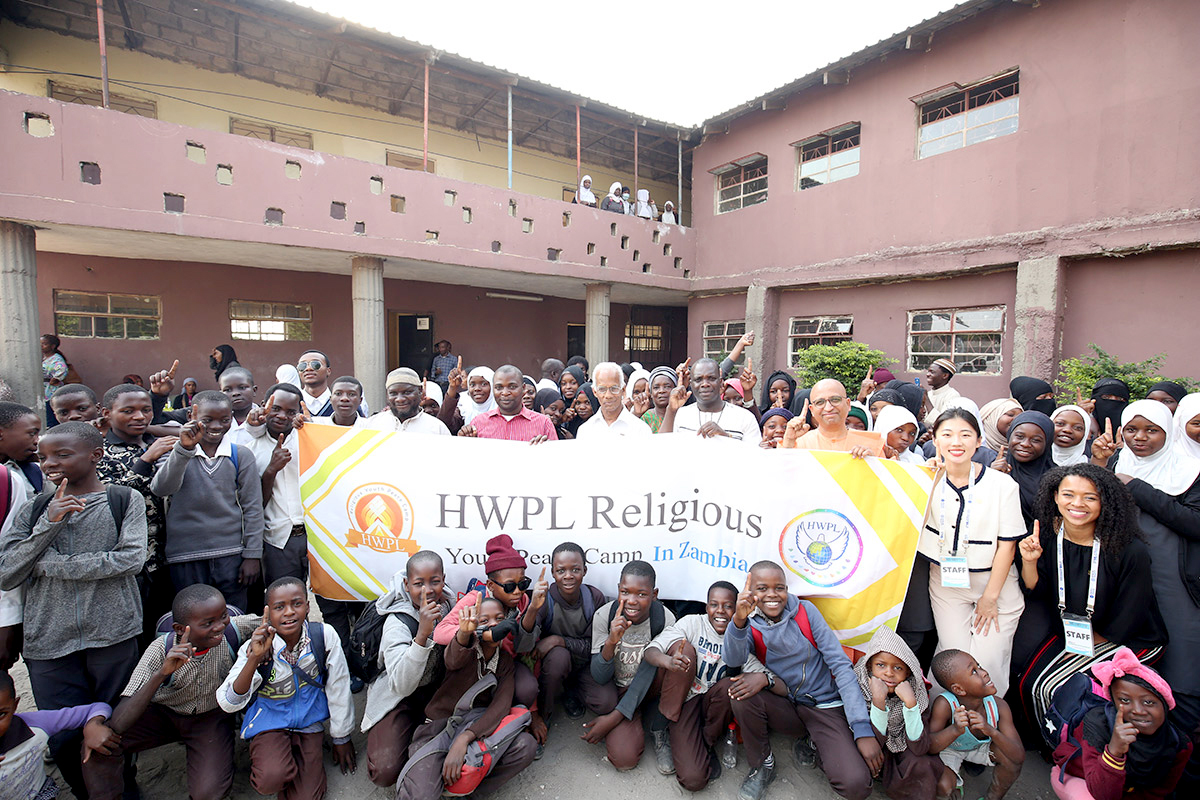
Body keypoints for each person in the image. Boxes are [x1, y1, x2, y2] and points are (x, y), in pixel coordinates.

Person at [0, 421, 147, 797]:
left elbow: (130, 559)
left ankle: (121, 790)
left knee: (115, 726)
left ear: (95, 455)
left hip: (113, 632)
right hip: (48, 639)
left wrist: (48, 565)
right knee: (64, 734)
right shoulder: (35, 509)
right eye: (43, 457)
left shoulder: (123, 500)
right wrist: (48, 525)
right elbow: (8, 571)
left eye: (62, 455)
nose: (50, 463)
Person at [1011, 464, 1167, 747]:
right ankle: (1045, 745)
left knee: (1055, 687)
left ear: (1104, 502)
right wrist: (1029, 561)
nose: (1077, 504)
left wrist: (1085, 645)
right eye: (1068, 495)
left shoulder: (1128, 549)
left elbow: (1131, 612)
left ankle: (1070, 752)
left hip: (1129, 637)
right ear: (1055, 496)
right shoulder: (1049, 536)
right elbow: (1037, 591)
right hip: (1075, 631)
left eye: (1090, 497)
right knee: (1027, 684)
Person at [82, 583, 261, 800]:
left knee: (208, 793)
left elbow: (274, 621)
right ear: (180, 629)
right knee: (101, 744)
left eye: (223, 616)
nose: (219, 626)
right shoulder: (160, 649)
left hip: (210, 719)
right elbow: (120, 722)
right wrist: (161, 674)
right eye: (208, 623)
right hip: (164, 715)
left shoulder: (233, 630)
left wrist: (264, 640)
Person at [1090, 399, 1200, 739]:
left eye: (1152, 430)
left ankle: (1179, 746)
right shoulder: (1118, 461)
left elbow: (1194, 523)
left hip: (1174, 582)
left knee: (1181, 663)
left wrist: (1136, 487)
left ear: (1169, 432)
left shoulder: (1190, 470)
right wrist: (1100, 464)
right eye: (1132, 430)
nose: (1140, 438)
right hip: (1126, 579)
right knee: (1131, 658)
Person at [724, 561, 878, 800]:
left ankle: (815, 743)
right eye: (762, 588)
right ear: (750, 593)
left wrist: (861, 728)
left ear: (787, 590)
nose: (772, 595)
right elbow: (733, 661)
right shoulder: (750, 624)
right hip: (786, 703)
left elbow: (840, 665)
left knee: (856, 784)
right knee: (740, 693)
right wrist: (738, 621)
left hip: (823, 707)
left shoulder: (805, 612)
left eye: (779, 588)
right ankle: (763, 765)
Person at [913, 408, 1026, 697]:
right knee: (951, 659)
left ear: (978, 441)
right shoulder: (924, 480)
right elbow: (909, 523)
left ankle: (989, 720)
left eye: (965, 435)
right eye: (947, 434)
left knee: (988, 662)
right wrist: (930, 480)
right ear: (935, 440)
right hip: (946, 584)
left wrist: (990, 598)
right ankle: (943, 717)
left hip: (995, 584)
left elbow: (1007, 545)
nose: (956, 442)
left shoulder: (1002, 485)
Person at [218, 577, 356, 797]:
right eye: (279, 607)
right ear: (268, 612)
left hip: (309, 722)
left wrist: (341, 737)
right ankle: (273, 758)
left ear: (308, 606)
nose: (289, 612)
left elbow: (338, 685)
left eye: (297, 604)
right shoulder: (256, 646)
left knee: (309, 795)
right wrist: (254, 659)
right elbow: (228, 702)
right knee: (271, 779)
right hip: (269, 722)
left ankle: (296, 761)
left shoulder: (323, 636)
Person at [395, 594, 538, 800]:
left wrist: (465, 738)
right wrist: (463, 633)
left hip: (475, 728)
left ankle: (470, 792)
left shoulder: (504, 661)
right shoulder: (466, 648)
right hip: (439, 728)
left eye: (499, 619)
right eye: (484, 620)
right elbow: (453, 659)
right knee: (421, 794)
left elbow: (500, 707)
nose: (493, 624)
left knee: (525, 746)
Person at [646, 580, 769, 791]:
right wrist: (668, 661)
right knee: (693, 780)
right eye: (714, 604)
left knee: (730, 685)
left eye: (728, 606)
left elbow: (771, 678)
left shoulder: (741, 637)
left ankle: (707, 743)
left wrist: (764, 679)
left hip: (714, 706)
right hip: (686, 700)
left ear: (738, 609)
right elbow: (651, 651)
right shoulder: (692, 623)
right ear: (706, 606)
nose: (720, 611)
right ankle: (665, 727)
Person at [150, 391, 264, 610]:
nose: (216, 426)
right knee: (193, 617)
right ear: (192, 416)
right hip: (185, 556)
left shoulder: (240, 456)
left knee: (233, 616)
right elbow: (161, 488)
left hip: (231, 555)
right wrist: (184, 450)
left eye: (224, 420)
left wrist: (252, 555)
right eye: (207, 420)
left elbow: (252, 508)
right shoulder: (176, 451)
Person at [362, 550, 454, 788]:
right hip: (399, 694)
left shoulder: (450, 605)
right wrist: (422, 635)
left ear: (444, 579)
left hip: (435, 689)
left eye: (435, 581)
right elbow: (401, 685)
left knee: (447, 751)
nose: (428, 590)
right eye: (418, 583)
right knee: (385, 771)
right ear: (406, 584)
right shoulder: (398, 622)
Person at [1049, 647, 1191, 800]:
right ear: (1114, 703)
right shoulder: (1098, 724)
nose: (1138, 710)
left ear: (1165, 705)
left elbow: (1157, 793)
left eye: (1148, 702)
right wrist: (1114, 751)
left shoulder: (1178, 743)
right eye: (1124, 700)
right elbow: (1102, 794)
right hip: (1082, 780)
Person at [584, 560, 683, 774]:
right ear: (618, 590)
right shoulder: (604, 616)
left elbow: (650, 668)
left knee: (672, 655)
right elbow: (599, 676)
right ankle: (633, 715)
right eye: (625, 592)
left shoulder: (664, 619)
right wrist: (611, 641)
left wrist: (614, 718)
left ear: (654, 594)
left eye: (642, 594)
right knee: (624, 759)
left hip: (648, 687)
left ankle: (657, 725)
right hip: (618, 688)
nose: (632, 600)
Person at [97, 383, 178, 636]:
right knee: (135, 632)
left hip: (169, 557)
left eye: (146, 410)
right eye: (128, 411)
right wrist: (145, 460)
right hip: (132, 564)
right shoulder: (101, 454)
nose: (140, 417)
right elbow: (110, 499)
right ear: (107, 413)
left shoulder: (158, 442)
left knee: (165, 628)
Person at [432, 534, 539, 706]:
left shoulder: (523, 601)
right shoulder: (475, 600)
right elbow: (440, 632)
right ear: (490, 585)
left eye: (523, 584)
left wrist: (533, 610)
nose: (517, 591)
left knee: (527, 690)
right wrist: (482, 633)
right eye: (509, 586)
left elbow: (523, 645)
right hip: (475, 664)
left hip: (506, 663)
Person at [529, 543, 607, 746]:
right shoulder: (545, 599)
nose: (568, 576)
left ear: (585, 570)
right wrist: (532, 609)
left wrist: (559, 640)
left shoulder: (594, 598)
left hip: (584, 663)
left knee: (606, 702)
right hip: (555, 665)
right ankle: (545, 713)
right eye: (561, 570)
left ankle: (572, 690)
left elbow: (594, 647)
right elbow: (526, 644)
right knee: (558, 657)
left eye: (575, 569)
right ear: (553, 573)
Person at [853, 627, 945, 800]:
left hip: (900, 750)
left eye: (898, 668)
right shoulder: (858, 685)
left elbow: (919, 747)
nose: (889, 673)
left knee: (922, 764)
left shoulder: (916, 692)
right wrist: (878, 701)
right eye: (881, 665)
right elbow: (874, 741)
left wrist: (910, 704)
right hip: (869, 747)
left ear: (908, 672)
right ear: (869, 666)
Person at [0, 669, 116, 800]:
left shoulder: (35, 724)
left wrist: (93, 724)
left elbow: (97, 708)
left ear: (15, 706)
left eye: (1, 714)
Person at [928, 649, 1024, 800]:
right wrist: (955, 729)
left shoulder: (999, 706)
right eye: (974, 671)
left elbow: (1018, 756)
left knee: (1011, 761)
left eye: (978, 666)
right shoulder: (945, 705)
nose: (984, 672)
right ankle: (954, 780)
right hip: (950, 749)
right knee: (942, 786)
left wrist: (991, 731)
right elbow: (929, 747)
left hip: (980, 748)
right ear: (959, 689)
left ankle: (992, 798)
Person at [244, 384, 308, 588]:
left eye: (290, 412)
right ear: (264, 406)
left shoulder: (308, 442)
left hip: (315, 536)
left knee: (327, 600)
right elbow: (254, 504)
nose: (282, 416)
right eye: (276, 408)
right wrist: (271, 470)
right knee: (285, 594)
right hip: (278, 539)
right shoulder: (250, 450)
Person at [0, 403, 34, 672]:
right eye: (31, 433)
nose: (36, 440)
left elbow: (12, 548)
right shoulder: (9, 479)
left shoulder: (13, 477)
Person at [661, 358, 760, 444]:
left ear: (720, 383)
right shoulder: (681, 414)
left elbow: (755, 455)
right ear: (691, 384)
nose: (705, 384)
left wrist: (725, 437)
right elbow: (662, 447)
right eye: (698, 379)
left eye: (711, 378)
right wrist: (671, 409)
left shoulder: (745, 417)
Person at [780, 378, 886, 456]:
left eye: (835, 400)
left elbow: (885, 478)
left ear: (848, 404)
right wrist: (789, 442)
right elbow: (783, 476)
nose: (828, 408)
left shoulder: (872, 444)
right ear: (812, 410)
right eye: (820, 402)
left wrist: (873, 463)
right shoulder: (797, 444)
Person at [459, 365, 557, 443]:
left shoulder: (543, 423)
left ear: (523, 389)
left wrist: (546, 449)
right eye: (499, 387)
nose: (505, 393)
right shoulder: (478, 423)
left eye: (512, 387)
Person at [1003, 410, 1057, 529]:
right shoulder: (993, 470)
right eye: (1020, 436)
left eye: (1036, 440)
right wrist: (992, 478)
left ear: (1047, 443)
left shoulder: (1057, 479)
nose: (1025, 444)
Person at [364, 368, 451, 435]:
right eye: (393, 393)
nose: (400, 399)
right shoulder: (371, 425)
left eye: (407, 392)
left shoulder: (437, 429)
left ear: (420, 391)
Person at [577, 362, 651, 439]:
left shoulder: (640, 429)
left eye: (614, 388)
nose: (608, 395)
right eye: (602, 389)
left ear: (623, 390)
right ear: (595, 392)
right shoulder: (585, 430)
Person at [297, 350, 367, 418]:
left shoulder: (346, 403)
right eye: (302, 366)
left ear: (328, 371)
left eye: (316, 365)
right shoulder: (293, 402)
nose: (308, 368)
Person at [303, 375, 368, 429]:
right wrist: (306, 426)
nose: (344, 398)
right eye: (338, 394)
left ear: (360, 400)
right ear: (330, 399)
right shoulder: (316, 424)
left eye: (351, 394)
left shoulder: (370, 427)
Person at [923, 358, 962, 428]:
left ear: (945, 376)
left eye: (932, 372)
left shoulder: (952, 395)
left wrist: (926, 400)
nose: (928, 374)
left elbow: (944, 422)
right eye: (928, 371)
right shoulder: (929, 393)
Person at [41, 334, 70, 426]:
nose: (41, 346)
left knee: (51, 419)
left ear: (52, 346)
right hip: (44, 392)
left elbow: (62, 370)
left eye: (44, 344)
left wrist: (55, 379)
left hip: (51, 393)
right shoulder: (44, 358)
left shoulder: (56, 359)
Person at [641, 366, 677, 433]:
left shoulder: (683, 415)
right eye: (656, 387)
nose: (661, 391)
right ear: (651, 393)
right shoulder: (646, 418)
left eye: (667, 386)